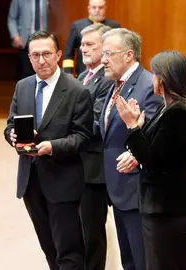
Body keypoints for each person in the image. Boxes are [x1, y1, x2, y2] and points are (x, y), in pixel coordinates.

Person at [4, 31, 93, 270]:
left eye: (46, 54)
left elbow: (83, 137)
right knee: (49, 248)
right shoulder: (23, 86)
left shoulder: (76, 91)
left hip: (62, 180)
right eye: (35, 55)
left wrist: (52, 147)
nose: (41, 60)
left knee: (68, 250)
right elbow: (11, 124)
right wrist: (12, 135)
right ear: (29, 57)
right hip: (30, 180)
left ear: (58, 55)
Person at [115, 51, 186, 270]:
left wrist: (131, 126)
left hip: (167, 208)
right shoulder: (169, 108)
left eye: (155, 74)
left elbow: (153, 160)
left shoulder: (179, 112)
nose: (152, 79)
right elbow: (154, 149)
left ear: (163, 79)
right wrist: (138, 125)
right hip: (160, 206)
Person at [99, 28, 163, 270]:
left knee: (142, 259)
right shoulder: (115, 84)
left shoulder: (148, 85)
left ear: (128, 55)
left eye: (108, 53)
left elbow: (154, 134)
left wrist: (136, 154)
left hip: (137, 189)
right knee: (128, 260)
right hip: (117, 186)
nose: (102, 59)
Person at [77, 23, 114, 270]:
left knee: (92, 236)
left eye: (90, 44)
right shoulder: (82, 76)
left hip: (94, 171)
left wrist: (63, 126)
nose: (83, 49)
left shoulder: (108, 79)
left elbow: (96, 122)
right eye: (82, 44)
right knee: (77, 233)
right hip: (76, 167)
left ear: (105, 49)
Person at [63, 0, 120, 76]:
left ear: (105, 9)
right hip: (83, 72)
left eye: (100, 7)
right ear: (89, 8)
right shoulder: (77, 26)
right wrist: (68, 73)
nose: (97, 10)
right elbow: (68, 54)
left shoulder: (114, 26)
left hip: (107, 73)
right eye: (94, 7)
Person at [7, 0, 49, 79]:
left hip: (45, 41)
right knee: (26, 74)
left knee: (44, 74)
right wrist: (15, 36)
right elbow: (12, 19)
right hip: (26, 41)